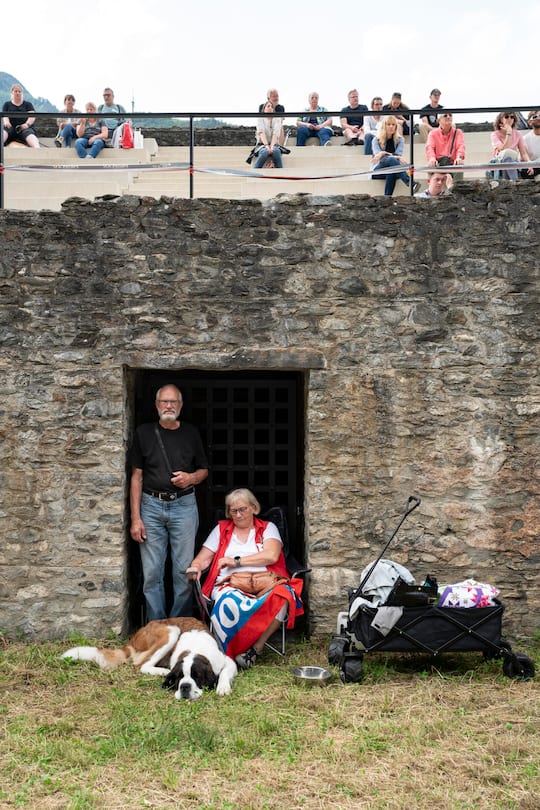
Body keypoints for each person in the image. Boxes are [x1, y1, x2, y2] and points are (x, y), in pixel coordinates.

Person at [187, 488, 303, 669]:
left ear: (254, 508)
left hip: (263, 582)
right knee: (229, 601)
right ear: (228, 513)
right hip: (229, 583)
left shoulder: (267, 528)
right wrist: (195, 567)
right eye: (234, 511)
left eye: (243, 509)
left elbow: (271, 555)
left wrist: (237, 562)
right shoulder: (221, 529)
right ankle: (226, 653)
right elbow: (203, 558)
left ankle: (254, 650)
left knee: (282, 595)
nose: (239, 514)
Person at [130, 384, 209, 620]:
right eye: (164, 402)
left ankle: (179, 624)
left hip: (184, 505)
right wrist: (136, 518)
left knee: (183, 570)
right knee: (152, 571)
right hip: (151, 506)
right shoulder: (144, 433)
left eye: (173, 402)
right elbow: (136, 477)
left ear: (181, 405)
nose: (168, 406)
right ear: (156, 405)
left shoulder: (191, 433)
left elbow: (204, 470)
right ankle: (157, 626)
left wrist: (191, 478)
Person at [371, 115, 420, 197]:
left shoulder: (400, 140)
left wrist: (384, 153)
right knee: (391, 161)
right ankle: (410, 182)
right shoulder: (376, 139)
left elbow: (397, 154)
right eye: (388, 124)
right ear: (384, 126)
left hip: (395, 169)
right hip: (378, 170)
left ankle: (387, 199)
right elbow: (379, 157)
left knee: (392, 170)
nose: (391, 127)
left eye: (393, 125)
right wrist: (387, 155)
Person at [488, 111, 531, 181]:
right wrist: (509, 132)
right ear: (501, 119)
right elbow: (503, 149)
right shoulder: (495, 134)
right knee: (507, 158)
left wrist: (530, 164)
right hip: (499, 163)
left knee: (509, 160)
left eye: (512, 117)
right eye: (506, 117)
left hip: (513, 162)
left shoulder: (518, 134)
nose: (509, 119)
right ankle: (515, 183)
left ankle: (511, 183)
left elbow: (523, 153)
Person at [2, 84, 40, 148]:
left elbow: (32, 116)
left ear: (22, 93)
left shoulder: (28, 104)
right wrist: (6, 122)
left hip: (25, 127)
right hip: (10, 127)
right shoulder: (7, 104)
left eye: (19, 91)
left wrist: (27, 124)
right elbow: (5, 116)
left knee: (29, 133)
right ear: (12, 93)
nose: (18, 93)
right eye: (16, 91)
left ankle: (37, 148)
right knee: (4, 132)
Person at [253, 101, 283, 169]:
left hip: (274, 144)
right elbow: (261, 132)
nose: (270, 108)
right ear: (264, 109)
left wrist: (271, 146)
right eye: (268, 106)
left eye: (272, 107)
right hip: (262, 144)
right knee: (264, 152)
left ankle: (281, 173)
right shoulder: (260, 118)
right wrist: (267, 146)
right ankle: (255, 171)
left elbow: (276, 133)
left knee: (276, 151)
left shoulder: (277, 119)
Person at [520, 110, 540, 179]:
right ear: (529, 122)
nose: (538, 118)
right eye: (535, 117)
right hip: (533, 167)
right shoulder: (525, 139)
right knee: (525, 171)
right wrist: (530, 165)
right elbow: (524, 156)